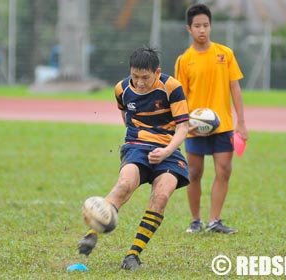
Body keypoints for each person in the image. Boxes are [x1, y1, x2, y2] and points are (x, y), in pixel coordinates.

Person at [77, 47, 190, 270]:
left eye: (145, 77)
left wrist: (166, 151)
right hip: (137, 146)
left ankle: (133, 255)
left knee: (162, 195)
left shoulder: (172, 87)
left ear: (157, 72)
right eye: (135, 76)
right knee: (124, 184)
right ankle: (92, 234)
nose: (139, 82)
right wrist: (137, 142)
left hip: (169, 151)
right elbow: (127, 118)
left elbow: (183, 127)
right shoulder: (121, 88)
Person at [174, 4, 249, 234]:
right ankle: (195, 220)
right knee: (194, 173)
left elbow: (234, 88)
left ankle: (214, 220)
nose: (202, 30)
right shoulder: (184, 60)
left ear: (211, 26)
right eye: (197, 26)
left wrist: (241, 122)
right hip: (196, 127)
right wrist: (185, 125)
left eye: (206, 25)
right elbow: (180, 98)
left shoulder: (224, 54)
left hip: (223, 126)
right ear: (189, 28)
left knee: (224, 170)